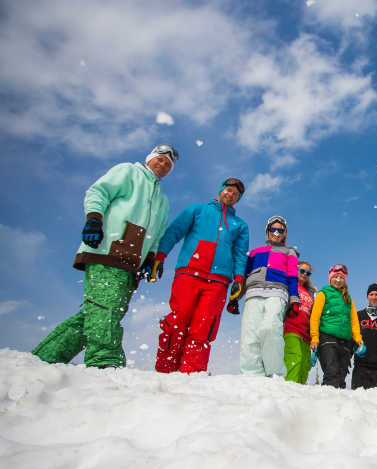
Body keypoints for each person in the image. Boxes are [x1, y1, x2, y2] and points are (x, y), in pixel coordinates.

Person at [32, 144, 176, 368]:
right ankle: (105, 362)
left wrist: (150, 258)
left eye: (168, 164)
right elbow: (99, 192)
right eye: (160, 159)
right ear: (150, 158)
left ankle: (45, 357)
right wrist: (94, 219)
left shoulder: (163, 201)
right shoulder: (129, 172)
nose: (163, 164)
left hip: (131, 263)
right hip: (107, 250)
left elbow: (157, 234)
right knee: (105, 310)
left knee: (98, 314)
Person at [152, 178, 249, 374]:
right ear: (221, 190)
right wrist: (160, 256)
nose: (231, 195)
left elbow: (240, 254)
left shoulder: (240, 225)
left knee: (204, 326)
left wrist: (239, 278)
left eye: (236, 194)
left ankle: (192, 371)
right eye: (228, 190)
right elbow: (174, 232)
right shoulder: (197, 210)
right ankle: (165, 367)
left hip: (219, 281)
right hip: (189, 272)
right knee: (178, 318)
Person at [239, 215, 300, 377]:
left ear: (285, 233)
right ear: (267, 231)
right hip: (253, 292)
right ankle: (252, 374)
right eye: (273, 229)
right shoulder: (255, 252)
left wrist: (294, 299)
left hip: (277, 291)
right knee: (250, 334)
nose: (277, 233)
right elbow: (244, 275)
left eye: (281, 230)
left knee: (271, 328)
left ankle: (274, 373)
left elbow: (293, 276)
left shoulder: (289, 252)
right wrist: (235, 297)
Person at [309, 264, 364, 388]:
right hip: (327, 338)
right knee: (332, 372)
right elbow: (315, 317)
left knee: (341, 375)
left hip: (345, 341)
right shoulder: (323, 294)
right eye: (335, 277)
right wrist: (314, 338)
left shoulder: (348, 298)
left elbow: (354, 321)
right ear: (330, 278)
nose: (338, 280)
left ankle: (338, 400)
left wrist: (358, 338)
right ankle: (327, 398)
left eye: (341, 278)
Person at [283, 260, 316, 384]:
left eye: (308, 273)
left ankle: (300, 391)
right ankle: (291, 387)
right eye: (302, 271)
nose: (304, 274)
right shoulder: (290, 286)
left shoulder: (310, 292)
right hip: (291, 328)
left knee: (305, 364)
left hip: (306, 334)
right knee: (295, 358)